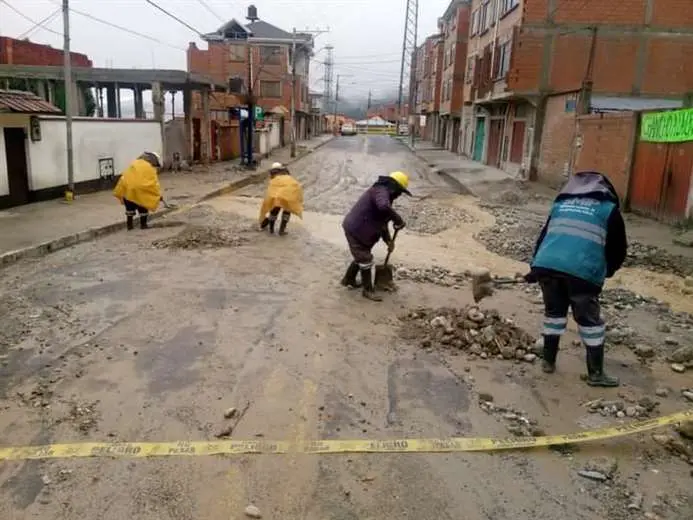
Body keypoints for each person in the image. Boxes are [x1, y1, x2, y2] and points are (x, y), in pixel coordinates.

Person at [528, 170, 627, 387]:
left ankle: (548, 362)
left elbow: (544, 238)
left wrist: (535, 270)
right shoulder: (608, 210)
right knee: (589, 322)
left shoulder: (560, 206)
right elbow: (618, 250)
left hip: (547, 265)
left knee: (554, 315)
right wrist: (606, 271)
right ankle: (596, 373)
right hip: (582, 274)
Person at [341, 171, 411, 301]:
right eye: (400, 191)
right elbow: (384, 207)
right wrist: (398, 219)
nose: (400, 194)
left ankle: (348, 280)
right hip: (356, 229)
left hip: (362, 230)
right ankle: (368, 290)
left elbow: (383, 223)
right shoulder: (380, 191)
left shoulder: (385, 195)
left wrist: (389, 241)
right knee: (365, 259)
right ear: (394, 186)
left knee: (360, 257)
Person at [113, 151, 163, 230]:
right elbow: (153, 184)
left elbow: (125, 176)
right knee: (143, 207)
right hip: (142, 191)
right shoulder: (149, 167)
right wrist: (158, 195)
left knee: (129, 209)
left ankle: (129, 226)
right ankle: (143, 225)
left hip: (128, 189)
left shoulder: (134, 163)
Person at [259, 162, 304, 235]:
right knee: (287, 211)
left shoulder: (273, 175)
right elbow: (292, 183)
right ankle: (281, 230)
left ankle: (271, 230)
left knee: (274, 211)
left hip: (276, 196)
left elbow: (271, 188)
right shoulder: (286, 173)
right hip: (288, 195)